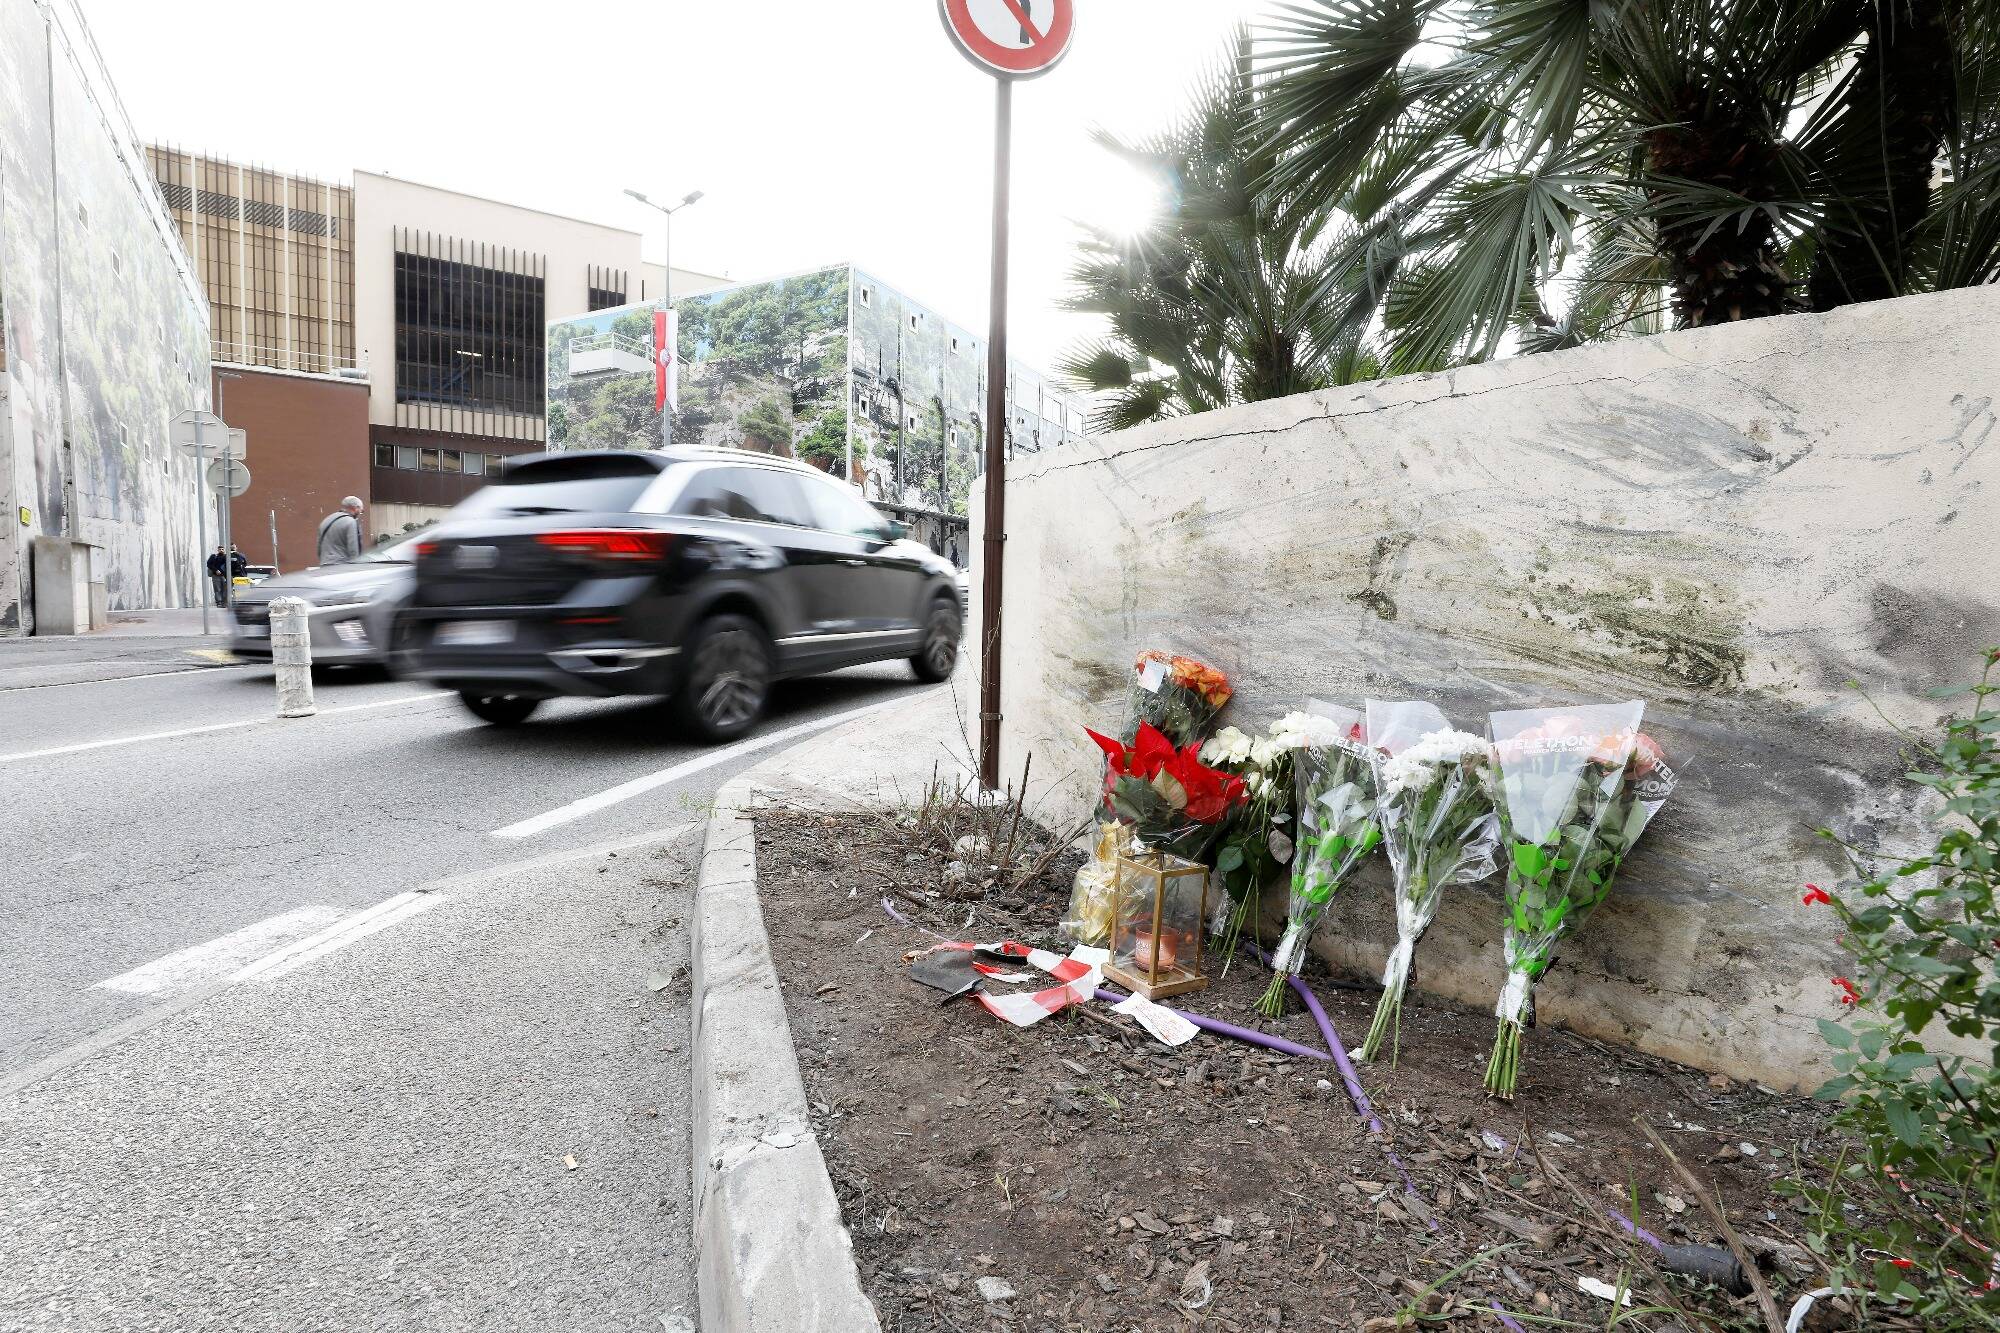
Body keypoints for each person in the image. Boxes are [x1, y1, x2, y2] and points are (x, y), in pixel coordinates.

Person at [316, 496, 364, 565]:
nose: (360, 513)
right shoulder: (351, 522)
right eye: (361, 511)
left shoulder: (326, 520)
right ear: (355, 508)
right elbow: (353, 550)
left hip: (324, 564)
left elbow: (319, 547)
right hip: (341, 566)